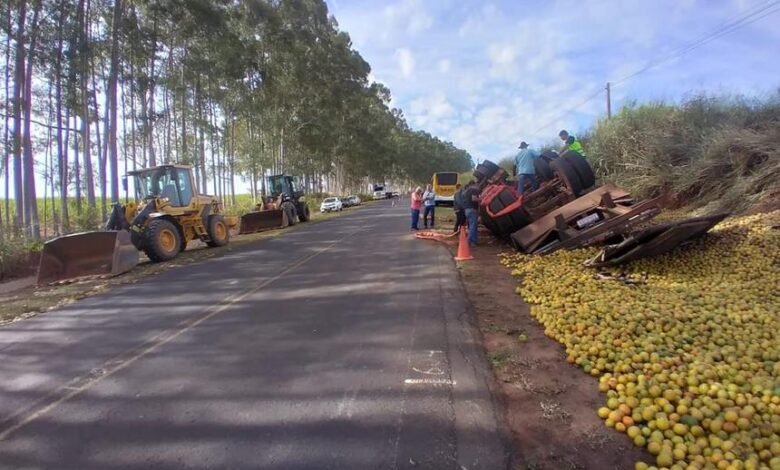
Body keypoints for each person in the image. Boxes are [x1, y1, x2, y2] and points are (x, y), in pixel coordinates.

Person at [462, 181, 480, 246]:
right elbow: (474, 199)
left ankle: (474, 241)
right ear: (474, 184)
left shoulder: (466, 191)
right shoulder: (474, 190)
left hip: (467, 210)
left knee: (472, 226)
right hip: (472, 210)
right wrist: (480, 199)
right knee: (473, 226)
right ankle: (469, 241)